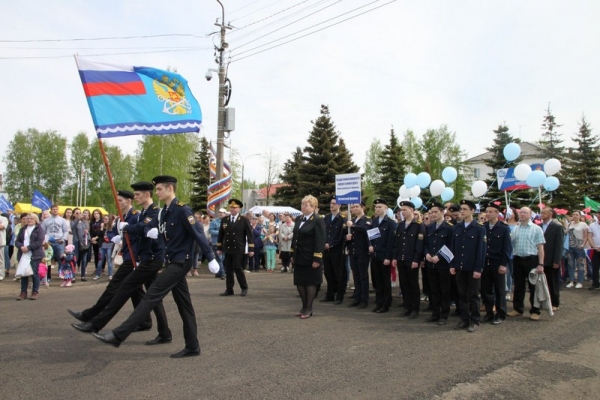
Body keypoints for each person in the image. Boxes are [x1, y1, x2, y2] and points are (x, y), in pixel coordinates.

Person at [92, 176, 218, 358]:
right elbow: (148, 226)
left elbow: (197, 233)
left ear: (169, 189)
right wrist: (126, 229)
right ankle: (192, 346)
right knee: (185, 305)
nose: (156, 193)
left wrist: (211, 257)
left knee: (152, 295)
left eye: (159, 189)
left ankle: (119, 334)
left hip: (182, 261)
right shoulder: (163, 212)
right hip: (172, 261)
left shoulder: (182, 210)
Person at [73, 182, 173, 346]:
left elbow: (143, 227)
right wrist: (123, 233)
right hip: (144, 258)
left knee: (124, 289)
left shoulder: (155, 212)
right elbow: (139, 229)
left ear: (147, 195)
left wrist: (128, 228)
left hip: (152, 259)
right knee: (153, 297)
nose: (135, 197)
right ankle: (164, 332)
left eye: (138, 195)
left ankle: (96, 324)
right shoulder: (142, 213)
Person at [67, 190, 153, 331]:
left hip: (132, 258)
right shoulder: (122, 217)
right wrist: (116, 236)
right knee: (136, 291)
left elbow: (141, 233)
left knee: (113, 287)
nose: (117, 203)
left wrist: (138, 256)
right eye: (117, 200)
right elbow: (114, 231)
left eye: (120, 200)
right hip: (126, 255)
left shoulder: (136, 216)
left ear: (129, 201)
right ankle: (145, 321)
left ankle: (91, 315)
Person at [450, 200, 486, 332]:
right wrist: (452, 264)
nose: (462, 211)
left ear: (472, 211)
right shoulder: (457, 228)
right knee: (462, 295)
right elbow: (453, 247)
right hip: (460, 266)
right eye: (461, 209)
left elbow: (481, 250)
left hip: (472, 268)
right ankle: (464, 319)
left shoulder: (479, 228)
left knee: (474, 295)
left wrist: (478, 268)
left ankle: (475, 320)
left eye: (465, 209)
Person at [508, 207, 546, 321]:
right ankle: (518, 309)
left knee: (533, 286)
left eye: (525, 212)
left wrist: (541, 264)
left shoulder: (536, 229)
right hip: (518, 259)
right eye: (521, 212)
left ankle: (535, 310)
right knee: (518, 286)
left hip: (531, 260)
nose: (523, 214)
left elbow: (540, 247)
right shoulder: (515, 229)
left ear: (530, 215)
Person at [290, 195, 325, 319]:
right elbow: (295, 238)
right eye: (302, 204)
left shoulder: (317, 220)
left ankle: (309, 308)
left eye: (306, 205)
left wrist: (317, 258)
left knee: (310, 283)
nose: (303, 207)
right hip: (299, 256)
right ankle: (303, 306)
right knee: (300, 283)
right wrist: (292, 253)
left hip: (311, 257)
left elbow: (320, 240)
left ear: (314, 207)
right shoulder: (299, 219)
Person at [392, 201, 425, 319]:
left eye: (405, 209)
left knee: (413, 285)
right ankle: (407, 306)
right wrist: (395, 257)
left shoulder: (418, 226)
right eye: (401, 210)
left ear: (412, 210)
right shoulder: (400, 225)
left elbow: (419, 245)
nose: (403, 212)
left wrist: (416, 259)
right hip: (401, 258)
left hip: (411, 260)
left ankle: (415, 309)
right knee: (404, 284)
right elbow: (396, 243)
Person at [481, 201, 512, 325]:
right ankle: (489, 313)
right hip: (485, 263)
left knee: (499, 290)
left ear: (497, 213)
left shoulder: (503, 228)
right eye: (487, 211)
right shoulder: (483, 227)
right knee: (486, 290)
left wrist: (503, 264)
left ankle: (500, 314)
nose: (488, 214)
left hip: (497, 263)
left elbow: (507, 248)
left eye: (490, 212)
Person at [423, 202, 453, 325]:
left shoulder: (449, 228)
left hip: (443, 264)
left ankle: (444, 315)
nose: (433, 214)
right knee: (434, 290)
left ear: (442, 212)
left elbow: (451, 246)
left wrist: (439, 257)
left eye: (435, 212)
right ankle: (435, 313)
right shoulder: (429, 227)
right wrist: (427, 254)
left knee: (444, 290)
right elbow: (425, 244)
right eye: (431, 212)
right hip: (431, 263)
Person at [217, 199, 253, 296]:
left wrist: (251, 249)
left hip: (238, 248)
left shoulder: (244, 220)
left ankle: (244, 287)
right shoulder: (225, 220)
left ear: (239, 209)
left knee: (237, 268)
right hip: (228, 248)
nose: (233, 209)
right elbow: (221, 234)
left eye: (235, 208)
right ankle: (229, 289)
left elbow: (249, 235)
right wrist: (219, 248)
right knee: (228, 269)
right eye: (231, 207)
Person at [369, 199, 397, 314]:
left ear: (386, 208)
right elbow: (371, 237)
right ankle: (378, 302)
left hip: (384, 255)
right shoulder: (374, 222)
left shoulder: (390, 223)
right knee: (378, 281)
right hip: (375, 255)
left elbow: (391, 242)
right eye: (376, 207)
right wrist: (370, 246)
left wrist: (388, 257)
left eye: (380, 207)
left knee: (385, 281)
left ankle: (386, 303)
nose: (377, 209)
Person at [346, 202, 371, 309]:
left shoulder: (367, 220)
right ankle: (357, 297)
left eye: (356, 206)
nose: (354, 209)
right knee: (356, 275)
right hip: (353, 251)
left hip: (363, 252)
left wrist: (353, 226)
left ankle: (364, 299)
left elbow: (365, 230)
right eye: (352, 207)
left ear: (362, 207)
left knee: (363, 276)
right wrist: (347, 238)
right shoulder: (352, 221)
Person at [321, 196, 346, 303]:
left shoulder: (342, 219)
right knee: (328, 272)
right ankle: (330, 294)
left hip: (337, 250)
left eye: (334, 203)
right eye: (331, 203)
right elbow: (323, 233)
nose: (332, 205)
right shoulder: (326, 218)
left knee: (338, 273)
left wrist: (330, 244)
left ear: (339, 205)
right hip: (326, 249)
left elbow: (341, 236)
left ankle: (339, 296)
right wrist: (325, 243)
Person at [15, 213, 46, 300]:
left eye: (31, 219)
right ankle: (23, 292)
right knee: (24, 274)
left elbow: (39, 242)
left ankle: (35, 292)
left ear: (35, 220)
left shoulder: (39, 229)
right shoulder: (22, 229)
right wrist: (21, 247)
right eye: (27, 219)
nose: (29, 220)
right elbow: (17, 241)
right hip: (23, 254)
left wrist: (28, 248)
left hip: (34, 254)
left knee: (35, 274)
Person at [540, 207, 565, 310]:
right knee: (542, 282)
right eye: (541, 213)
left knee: (553, 282)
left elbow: (559, 245)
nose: (542, 214)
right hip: (541, 259)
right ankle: (544, 301)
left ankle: (555, 303)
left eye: (544, 213)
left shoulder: (557, 226)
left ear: (550, 214)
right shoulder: (539, 226)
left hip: (551, 259)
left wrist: (557, 260)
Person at [40, 205, 70, 283]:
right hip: (49, 242)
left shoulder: (62, 220)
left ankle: (61, 274)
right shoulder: (46, 221)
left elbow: (66, 231)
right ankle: (48, 276)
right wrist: (45, 241)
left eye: (56, 209)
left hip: (59, 241)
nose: (55, 210)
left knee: (61, 258)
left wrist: (63, 239)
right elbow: (42, 231)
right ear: (51, 210)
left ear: (58, 210)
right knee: (48, 259)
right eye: (53, 209)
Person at [566, 211, 588, 289]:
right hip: (570, 247)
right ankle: (571, 281)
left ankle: (580, 281)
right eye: (574, 214)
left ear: (579, 216)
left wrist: (582, 245)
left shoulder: (583, 224)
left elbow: (585, 236)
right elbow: (566, 234)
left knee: (580, 264)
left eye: (576, 215)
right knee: (571, 264)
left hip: (579, 247)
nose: (575, 216)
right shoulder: (569, 224)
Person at [93, 215, 115, 280]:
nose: (105, 220)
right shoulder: (102, 226)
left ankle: (110, 274)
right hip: (102, 245)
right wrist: (102, 228)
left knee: (109, 260)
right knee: (100, 260)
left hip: (109, 245)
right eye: (104, 219)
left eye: (107, 219)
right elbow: (99, 235)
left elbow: (113, 235)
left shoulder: (112, 227)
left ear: (109, 220)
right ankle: (97, 274)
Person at [208, 208, 226, 279]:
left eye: (222, 213)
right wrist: (220, 233)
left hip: (225, 243)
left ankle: (219, 272)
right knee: (219, 258)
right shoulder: (214, 222)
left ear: (225, 214)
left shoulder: (227, 222)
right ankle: (222, 273)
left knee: (223, 258)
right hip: (216, 243)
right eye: (220, 212)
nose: (221, 214)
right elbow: (210, 230)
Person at [587, 209, 600, 290]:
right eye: (598, 213)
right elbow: (589, 237)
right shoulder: (592, 225)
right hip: (595, 249)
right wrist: (594, 246)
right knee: (595, 267)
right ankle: (595, 283)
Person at [90, 209, 104, 274]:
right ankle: (96, 268)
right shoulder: (92, 221)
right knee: (96, 254)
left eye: (97, 213)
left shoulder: (102, 221)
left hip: (100, 239)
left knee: (101, 254)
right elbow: (90, 230)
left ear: (99, 214)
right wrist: (92, 238)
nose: (96, 215)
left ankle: (102, 268)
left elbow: (102, 231)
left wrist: (96, 238)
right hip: (93, 240)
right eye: (94, 214)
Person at [0, 212, 8, 281]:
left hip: (0, 242)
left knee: (1, 260)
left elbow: (2, 227)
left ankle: (1, 275)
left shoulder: (4, 219)